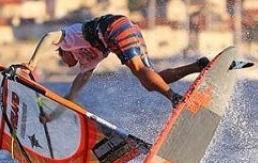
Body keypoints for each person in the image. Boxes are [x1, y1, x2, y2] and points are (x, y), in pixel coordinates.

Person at [25, 14, 208, 113]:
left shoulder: (70, 38)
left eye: (61, 57)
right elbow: (71, 96)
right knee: (152, 80)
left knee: (139, 70)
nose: (64, 63)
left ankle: (176, 99)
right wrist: (50, 117)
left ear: (64, 50)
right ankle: (198, 66)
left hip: (113, 28)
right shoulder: (88, 62)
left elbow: (49, 37)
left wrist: (31, 64)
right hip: (127, 28)